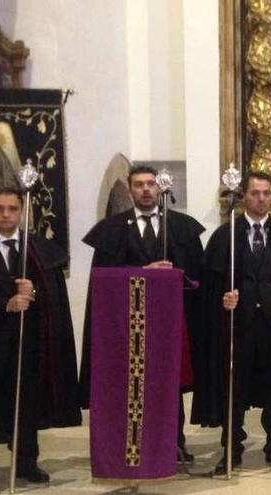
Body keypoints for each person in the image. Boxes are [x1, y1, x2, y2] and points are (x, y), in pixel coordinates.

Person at [79, 165, 205, 461]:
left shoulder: (181, 227)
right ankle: (136, 443)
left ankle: (174, 441)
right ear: (130, 188)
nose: (146, 190)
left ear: (160, 188)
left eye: (151, 184)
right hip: (127, 324)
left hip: (170, 324)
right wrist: (143, 273)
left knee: (169, 382)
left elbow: (198, 277)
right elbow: (103, 279)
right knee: (132, 384)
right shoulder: (112, 230)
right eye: (139, 185)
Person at [0, 187, 81, 493]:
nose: (6, 214)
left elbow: (52, 299)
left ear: (22, 211)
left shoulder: (38, 248)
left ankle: (27, 461)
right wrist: (5, 303)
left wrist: (35, 293)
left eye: (12, 208)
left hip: (28, 342)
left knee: (26, 402)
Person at [194, 171, 271, 473]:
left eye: (266, 193)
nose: (262, 199)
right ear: (244, 196)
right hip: (238, 327)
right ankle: (232, 447)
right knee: (234, 387)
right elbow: (209, 285)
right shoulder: (226, 235)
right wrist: (222, 300)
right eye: (255, 193)